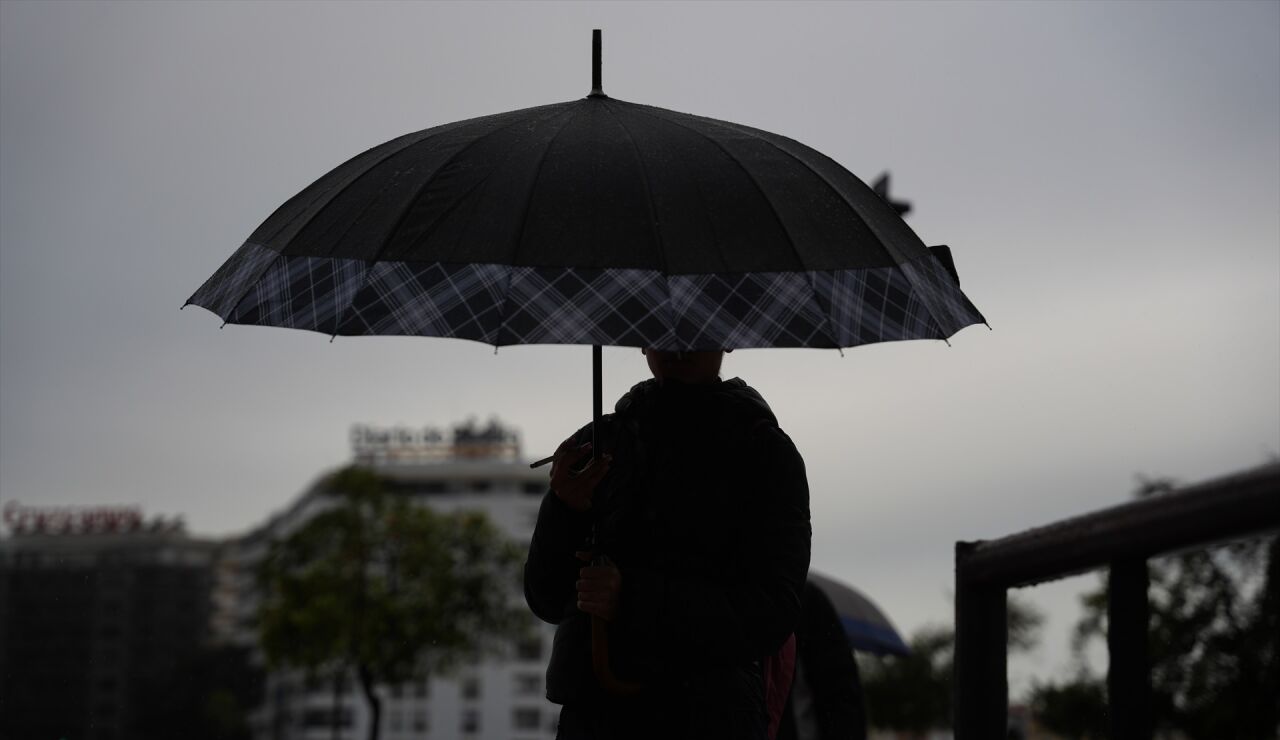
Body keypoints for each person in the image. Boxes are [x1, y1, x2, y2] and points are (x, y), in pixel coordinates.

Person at [524, 349, 812, 740]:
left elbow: (773, 610)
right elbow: (546, 595)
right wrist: (563, 510)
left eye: (698, 327)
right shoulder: (597, 445)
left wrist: (631, 598)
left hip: (711, 718)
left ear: (726, 338)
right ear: (640, 342)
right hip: (596, 717)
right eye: (663, 331)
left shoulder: (763, 452)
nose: (679, 343)